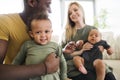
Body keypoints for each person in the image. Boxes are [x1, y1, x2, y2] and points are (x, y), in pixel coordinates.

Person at [0, 0, 60, 79]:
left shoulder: (44, 25)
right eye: (48, 5)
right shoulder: (5, 22)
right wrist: (44, 68)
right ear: (32, 2)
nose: (50, 11)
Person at [61, 2, 116, 80]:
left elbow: (100, 46)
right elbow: (62, 55)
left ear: (82, 11)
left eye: (75, 10)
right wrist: (81, 51)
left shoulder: (92, 29)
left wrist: (102, 48)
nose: (73, 13)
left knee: (110, 77)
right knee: (90, 76)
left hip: (94, 62)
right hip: (76, 65)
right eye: (70, 13)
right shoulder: (66, 33)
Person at [12, 14, 68, 80]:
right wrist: (12, 75)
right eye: (38, 32)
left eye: (46, 31)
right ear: (31, 34)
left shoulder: (55, 46)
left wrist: (64, 77)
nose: (43, 35)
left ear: (51, 32)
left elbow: (62, 62)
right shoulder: (27, 45)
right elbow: (17, 60)